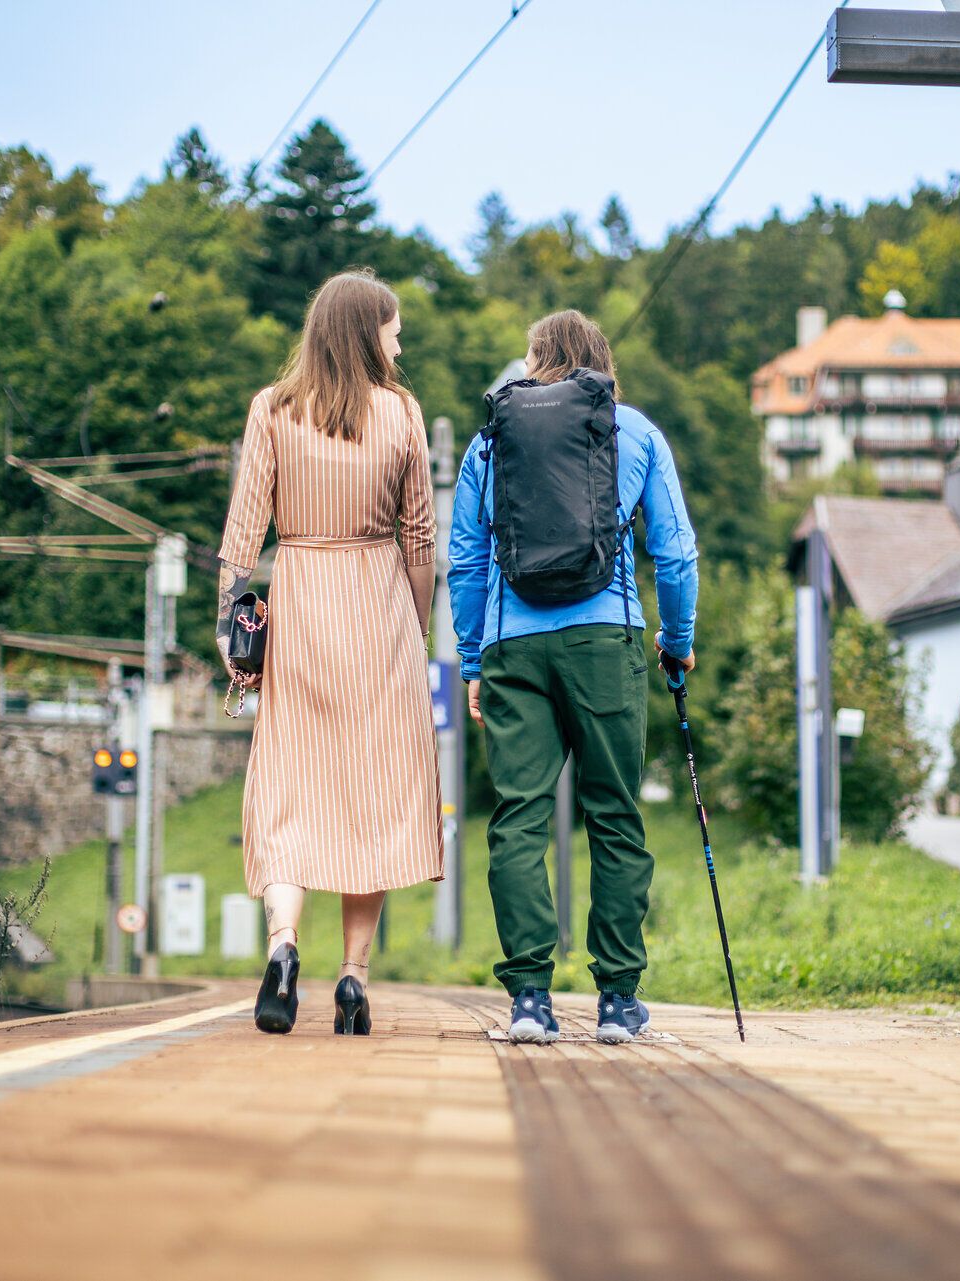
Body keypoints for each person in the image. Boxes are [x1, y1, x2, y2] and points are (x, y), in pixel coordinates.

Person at [449, 309, 699, 1044]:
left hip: (512, 647)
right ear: (600, 362)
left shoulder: (490, 438)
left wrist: (472, 658)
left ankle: (529, 998)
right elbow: (675, 552)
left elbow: (465, 560)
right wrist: (677, 640)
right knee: (615, 813)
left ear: (532, 362)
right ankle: (618, 1001)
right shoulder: (636, 431)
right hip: (605, 640)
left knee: (518, 817)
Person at [216, 269, 443, 1037]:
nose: (400, 340)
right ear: (364, 330)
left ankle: (283, 945)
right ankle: (353, 978)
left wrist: (230, 629)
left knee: (288, 786)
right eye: (394, 326)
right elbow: (420, 538)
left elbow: (241, 536)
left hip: (302, 603)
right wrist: (415, 627)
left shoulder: (272, 410)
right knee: (371, 798)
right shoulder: (402, 413)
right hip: (377, 608)